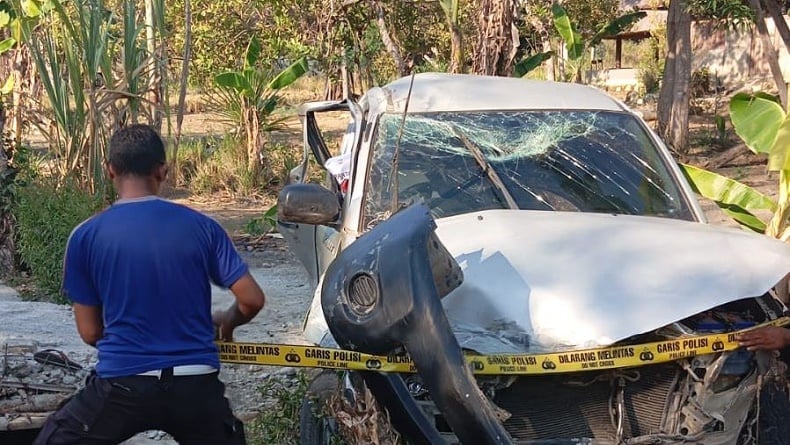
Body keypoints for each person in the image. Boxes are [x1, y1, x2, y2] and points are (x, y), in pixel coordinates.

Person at [34, 124, 266, 445]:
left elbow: (90, 333)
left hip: (123, 384)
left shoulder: (86, 235)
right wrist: (227, 319)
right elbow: (251, 299)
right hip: (195, 386)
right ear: (163, 171)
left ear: (110, 170)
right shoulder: (203, 227)